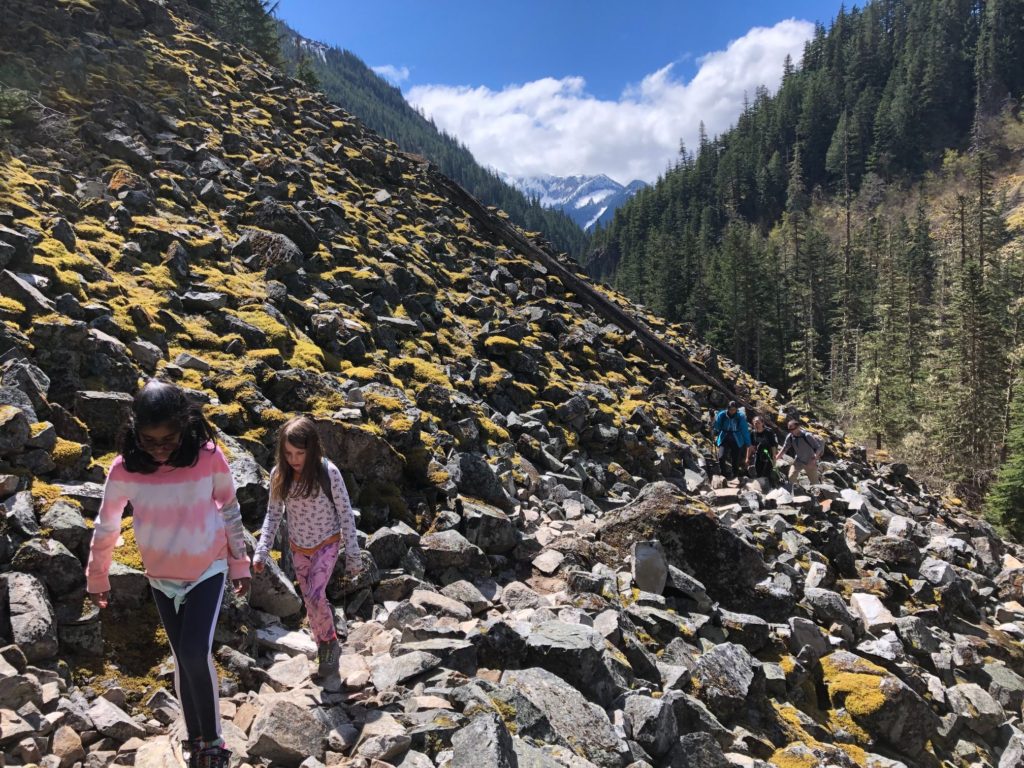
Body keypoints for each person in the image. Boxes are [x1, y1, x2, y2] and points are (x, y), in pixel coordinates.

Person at [86, 381, 250, 768]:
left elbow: (229, 507)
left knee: (195, 651)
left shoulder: (208, 457)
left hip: (207, 568)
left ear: (186, 426)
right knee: (182, 658)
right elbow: (108, 523)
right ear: (134, 431)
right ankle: (195, 738)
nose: (159, 447)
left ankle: (213, 743)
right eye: (149, 439)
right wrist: (98, 575)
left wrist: (239, 562)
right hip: (160, 576)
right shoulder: (125, 469)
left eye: (169, 439)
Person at [253, 416, 362, 678]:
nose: (294, 459)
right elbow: (273, 515)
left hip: (327, 543)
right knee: (310, 601)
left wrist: (353, 555)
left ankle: (330, 646)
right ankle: (323, 641)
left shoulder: (328, 473)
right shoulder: (280, 475)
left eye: (299, 453)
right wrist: (261, 551)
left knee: (315, 596)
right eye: (288, 453)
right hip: (298, 548)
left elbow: (345, 512)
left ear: (312, 449)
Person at [776, 420, 825, 486]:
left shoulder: (807, 436)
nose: (791, 431)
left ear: (798, 427)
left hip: (810, 461)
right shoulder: (790, 437)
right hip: (799, 460)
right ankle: (793, 490)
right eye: (789, 429)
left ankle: (818, 494)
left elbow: (818, 448)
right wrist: (776, 459)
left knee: (815, 483)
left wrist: (814, 460)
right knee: (791, 477)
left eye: (793, 429)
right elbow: (784, 449)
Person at [713, 400, 751, 480]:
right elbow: (717, 426)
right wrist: (715, 435)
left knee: (735, 458)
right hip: (724, 437)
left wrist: (748, 443)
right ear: (727, 408)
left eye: (734, 409)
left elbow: (744, 430)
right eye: (730, 409)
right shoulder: (722, 415)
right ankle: (723, 474)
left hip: (736, 438)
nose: (732, 411)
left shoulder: (740, 416)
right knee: (721, 456)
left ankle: (735, 475)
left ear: (736, 409)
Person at [746, 415, 780, 486]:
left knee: (767, 471)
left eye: (758, 422)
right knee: (758, 470)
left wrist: (774, 457)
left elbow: (773, 445)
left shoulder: (768, 432)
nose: (756, 424)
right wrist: (747, 457)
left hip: (769, 453)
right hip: (759, 453)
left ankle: (769, 486)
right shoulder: (753, 433)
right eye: (754, 423)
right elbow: (750, 446)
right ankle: (761, 486)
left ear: (762, 423)